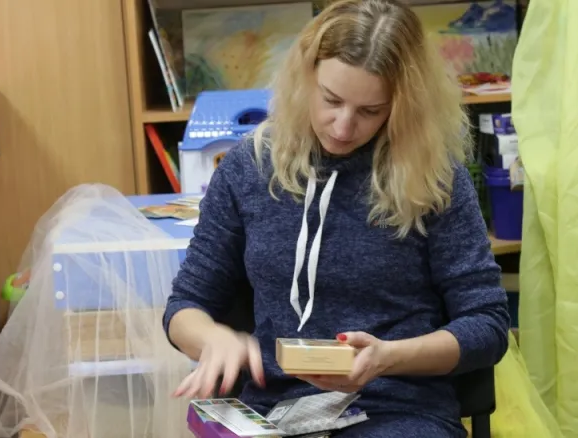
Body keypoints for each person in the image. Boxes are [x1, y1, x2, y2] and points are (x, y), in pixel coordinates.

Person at [163, 0, 510, 436]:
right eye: (331, 100)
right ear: (305, 77)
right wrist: (212, 338)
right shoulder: (247, 168)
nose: (343, 127)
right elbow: (185, 306)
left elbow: (488, 325)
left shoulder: (433, 179)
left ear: (402, 105)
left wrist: (389, 357)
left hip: (399, 409)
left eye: (370, 111)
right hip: (275, 409)